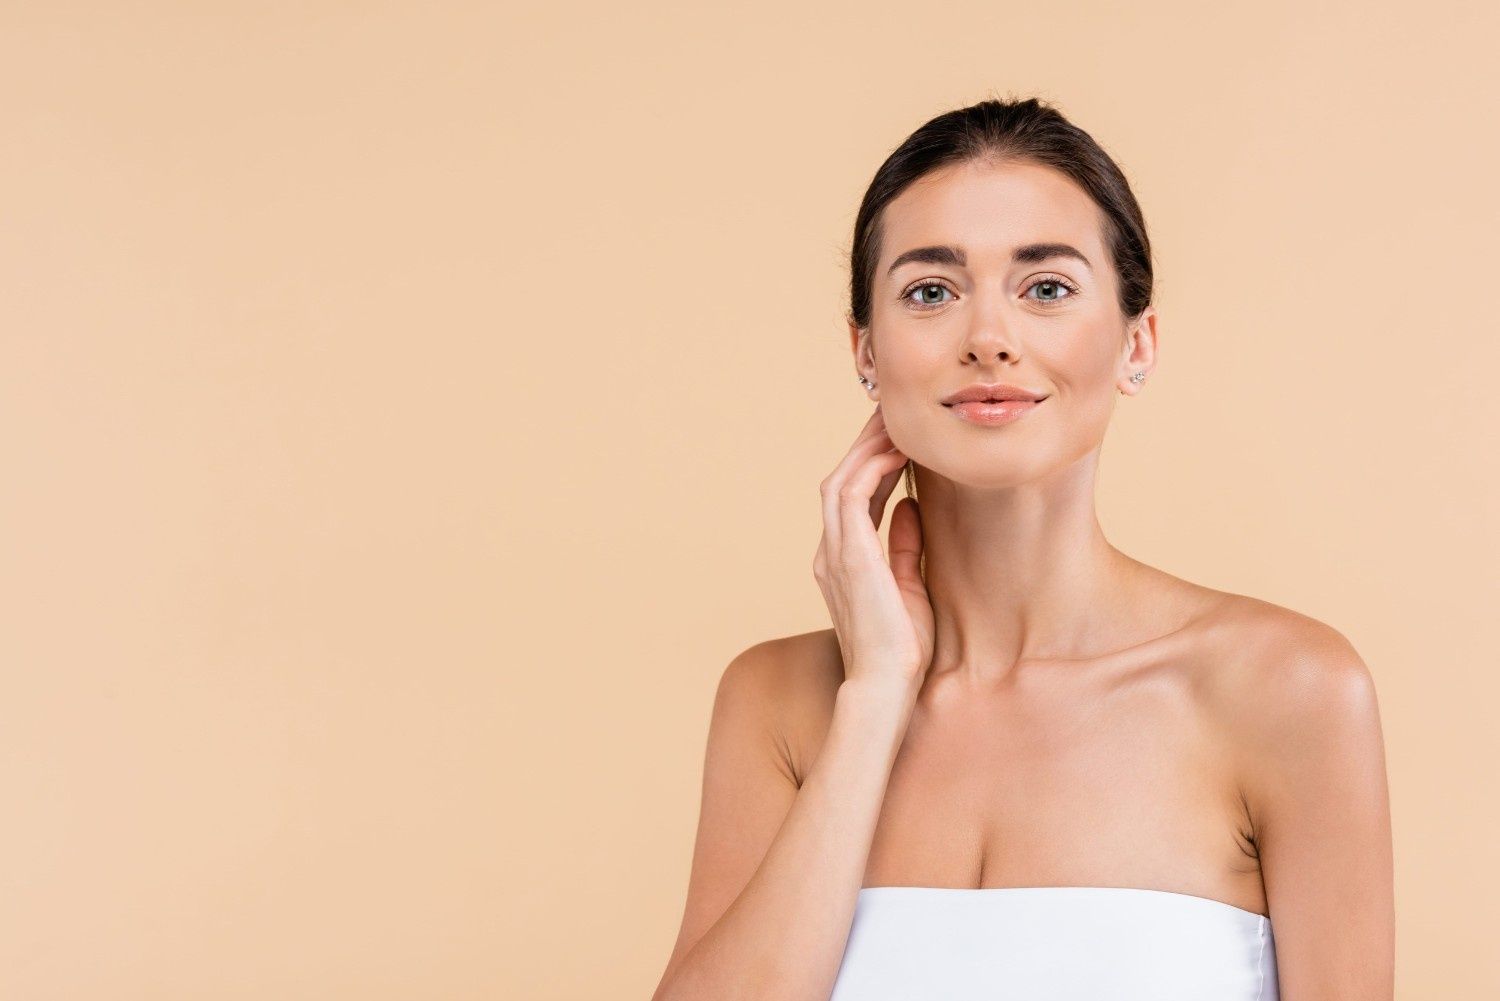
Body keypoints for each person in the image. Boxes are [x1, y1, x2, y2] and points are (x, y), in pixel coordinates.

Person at [649, 96, 1393, 1001]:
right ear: (866, 352)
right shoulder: (778, 705)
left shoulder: (1288, 689)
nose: (990, 339)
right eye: (931, 290)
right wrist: (875, 696)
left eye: (1046, 287)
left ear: (1137, 343)